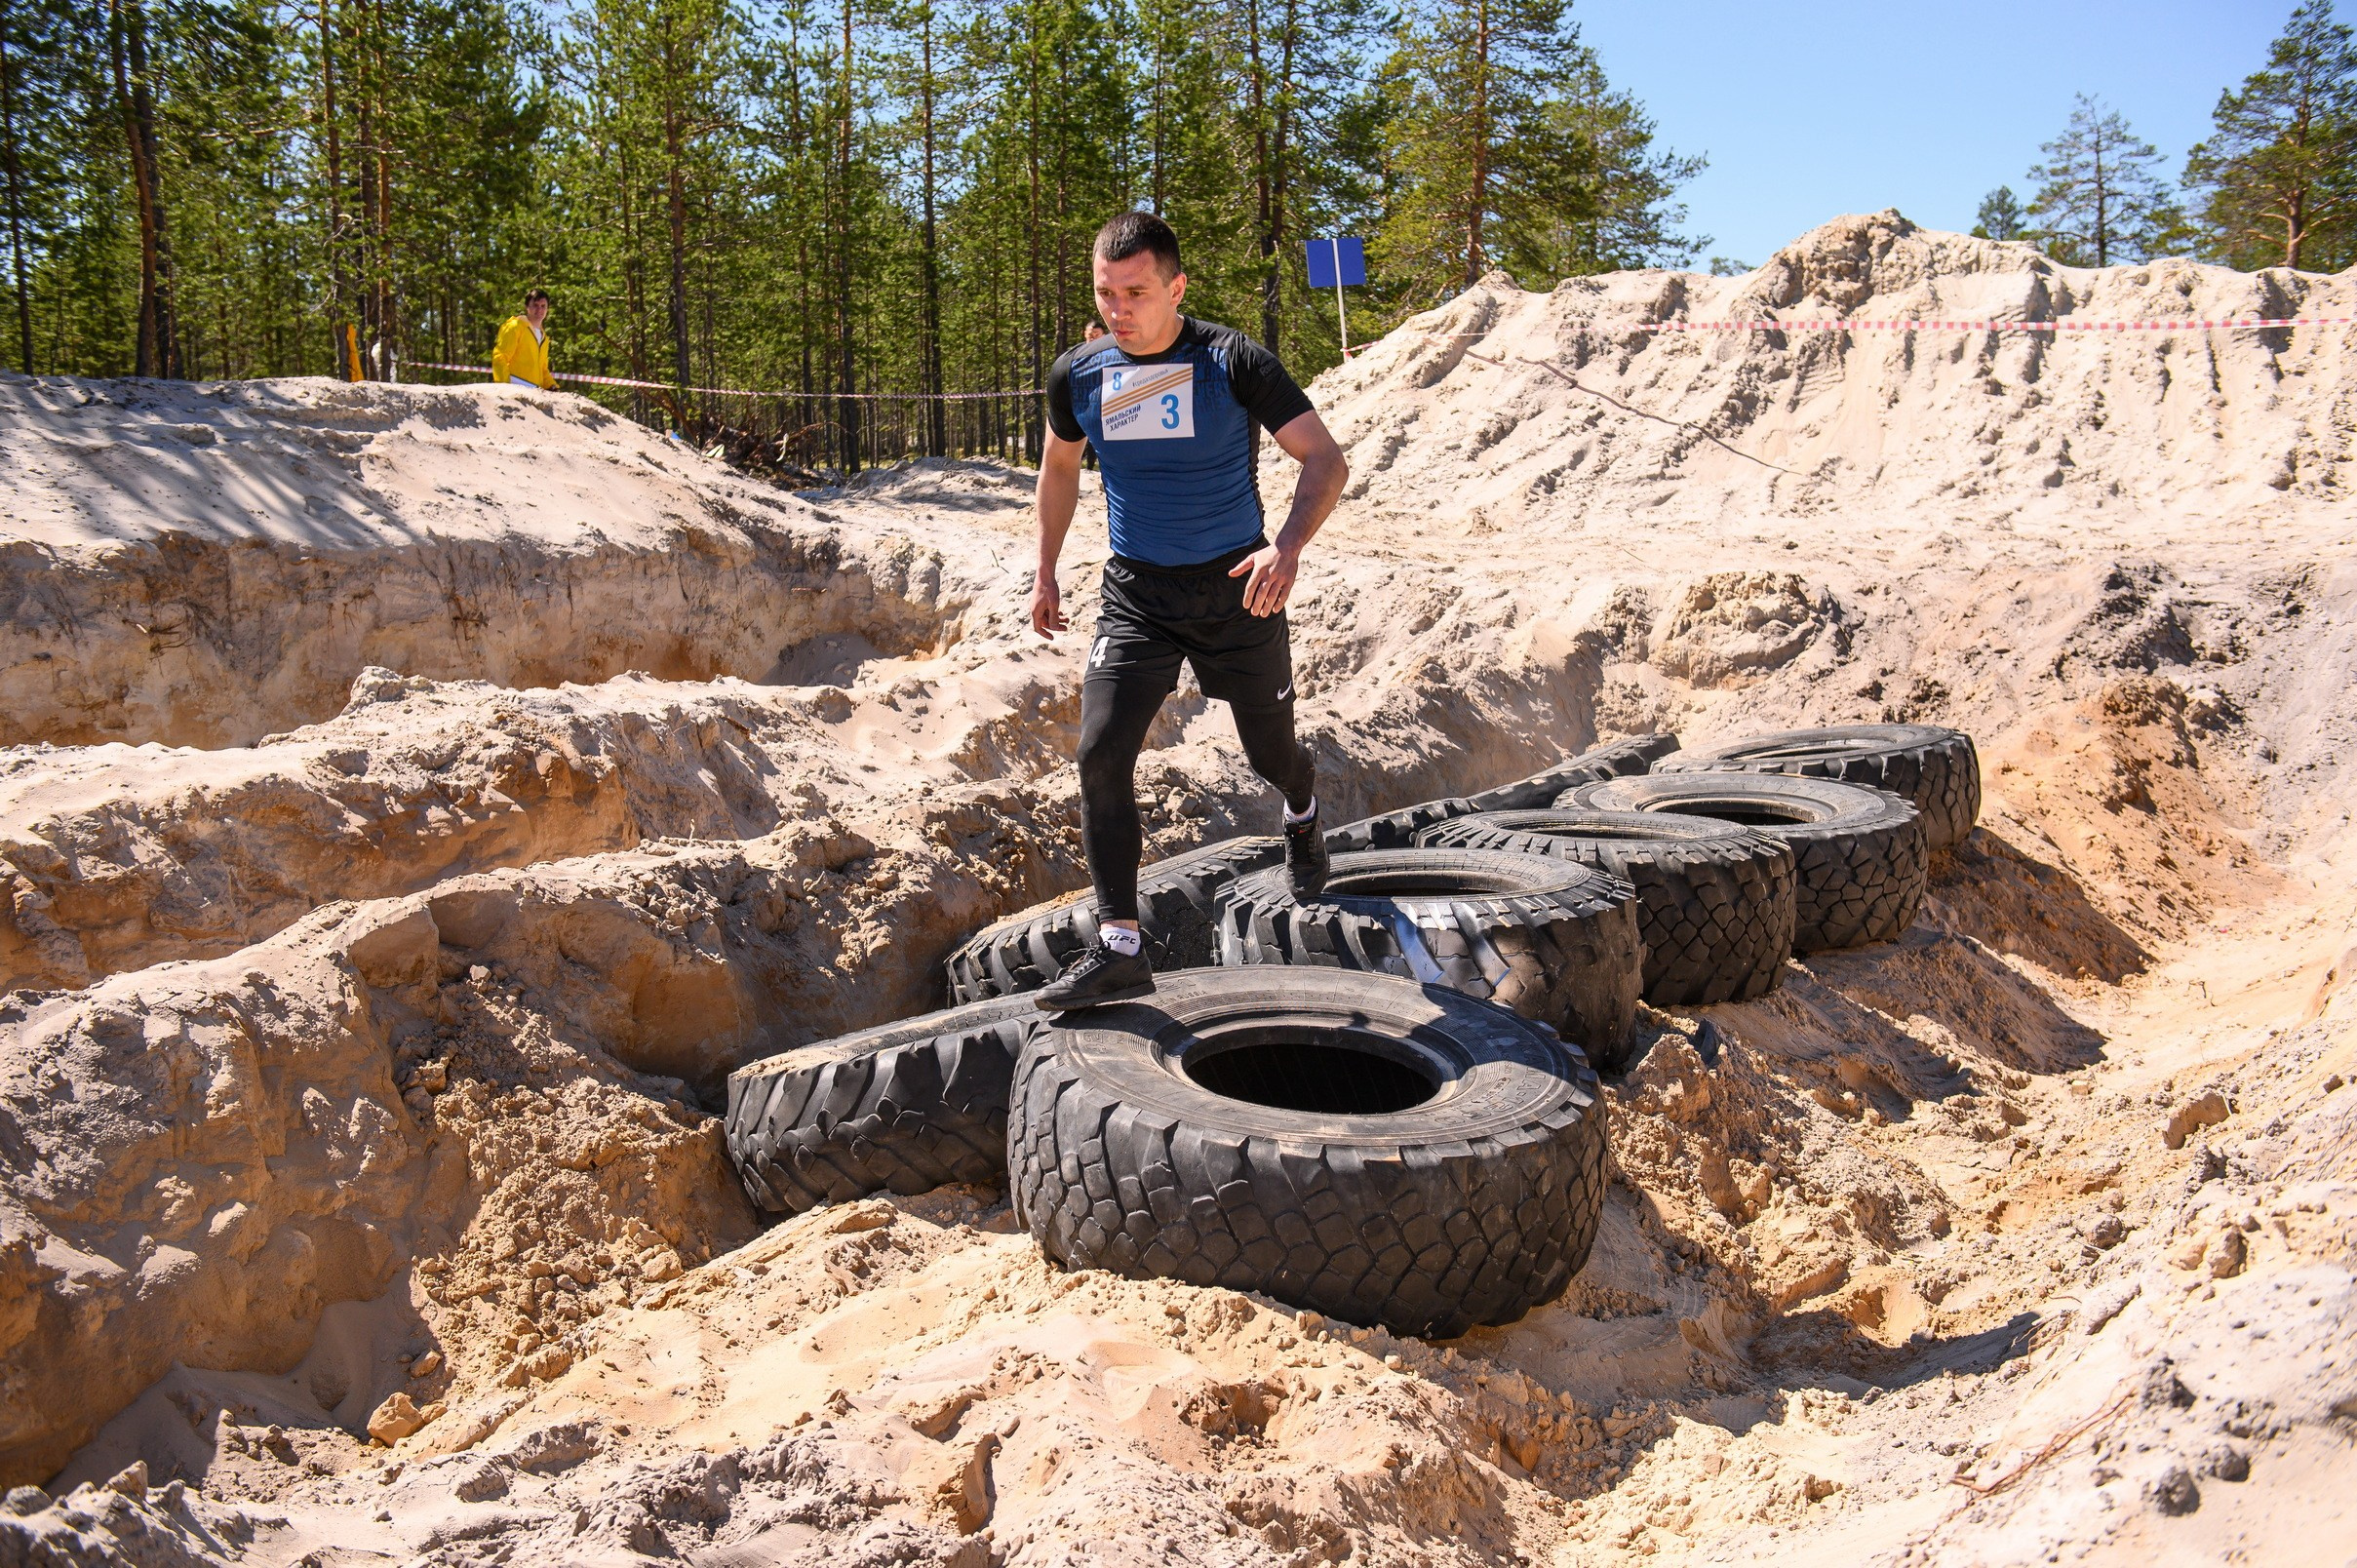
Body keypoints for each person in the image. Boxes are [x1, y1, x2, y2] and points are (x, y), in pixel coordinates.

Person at [1030, 210, 1349, 1010]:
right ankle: (1119, 946)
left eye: (1135, 293)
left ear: (1176, 289)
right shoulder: (1078, 374)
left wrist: (1286, 548)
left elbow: (1324, 459)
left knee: (1270, 754)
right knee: (1100, 753)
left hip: (1239, 588)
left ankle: (1302, 810)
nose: (1118, 310)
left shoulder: (1232, 360)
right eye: (1105, 293)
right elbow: (1059, 469)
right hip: (1136, 594)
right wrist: (1044, 572)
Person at [491, 289, 554, 391]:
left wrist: (552, 386)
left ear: (547, 309)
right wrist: (504, 387)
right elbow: (500, 357)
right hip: (514, 390)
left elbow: (543, 369)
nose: (539, 310)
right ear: (527, 307)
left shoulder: (544, 337)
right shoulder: (515, 327)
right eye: (535, 305)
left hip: (535, 392)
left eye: (543, 306)